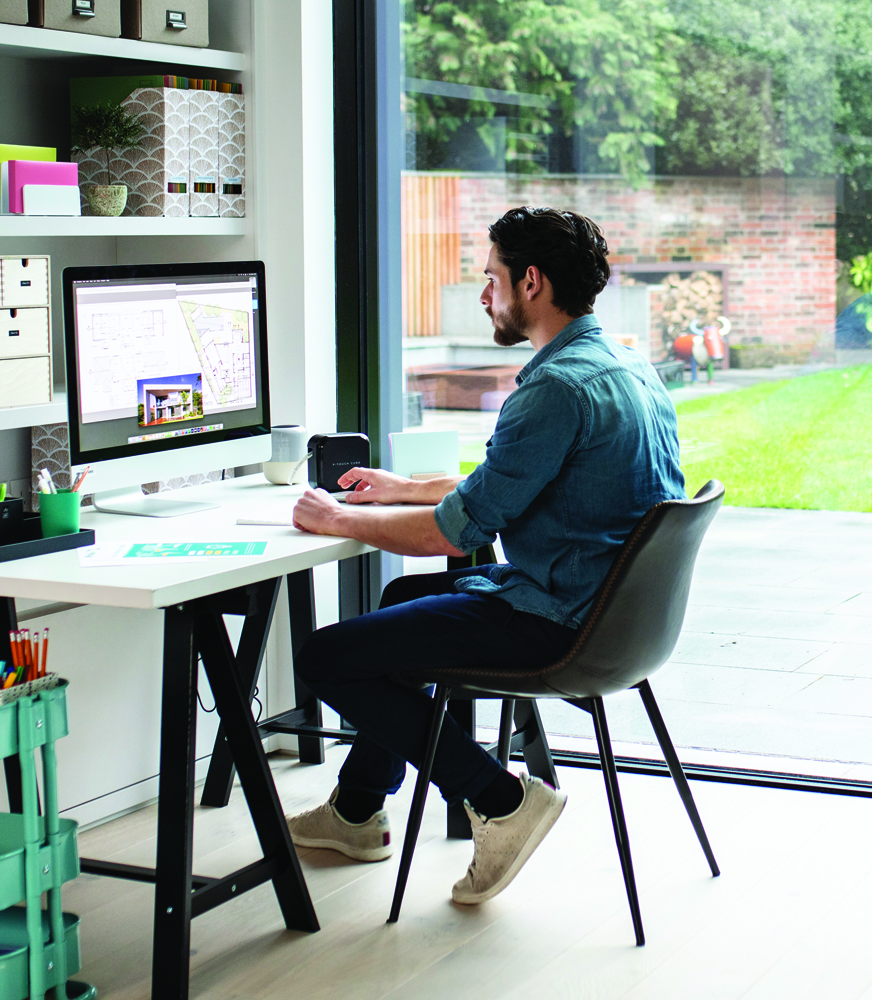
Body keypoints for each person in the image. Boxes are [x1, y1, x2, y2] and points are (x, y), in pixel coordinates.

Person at [283, 206, 686, 905]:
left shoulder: (553, 389)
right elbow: (518, 481)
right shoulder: (624, 362)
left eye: (490, 276)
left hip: (561, 622)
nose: (482, 293)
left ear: (531, 282)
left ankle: (500, 799)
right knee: (400, 608)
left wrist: (337, 517)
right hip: (618, 618)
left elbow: (454, 536)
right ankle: (355, 813)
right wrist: (402, 489)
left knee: (324, 656)